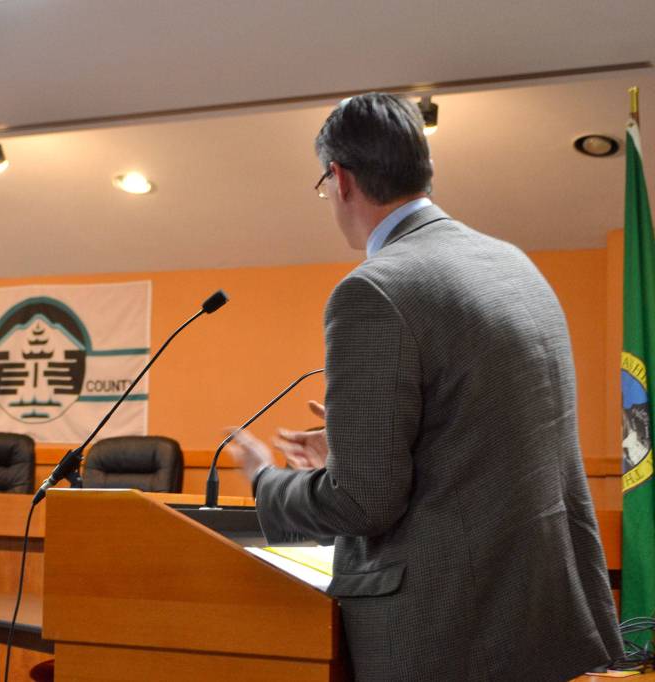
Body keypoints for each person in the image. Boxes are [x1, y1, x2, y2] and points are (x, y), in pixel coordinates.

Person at [227, 93, 623, 681]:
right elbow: (486, 440)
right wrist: (352, 454)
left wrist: (268, 481)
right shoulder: (513, 265)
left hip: (447, 636)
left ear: (340, 178)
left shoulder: (374, 289)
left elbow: (364, 503)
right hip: (546, 616)